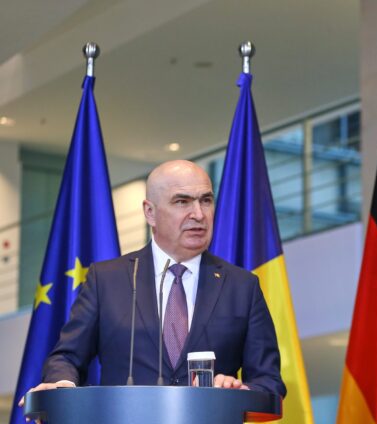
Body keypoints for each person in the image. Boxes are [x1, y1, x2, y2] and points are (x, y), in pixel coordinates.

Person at [24, 159, 285, 397]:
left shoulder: (242, 286)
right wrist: (62, 385)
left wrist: (238, 391)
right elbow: (67, 357)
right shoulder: (106, 280)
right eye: (182, 202)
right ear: (150, 212)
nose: (199, 214)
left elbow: (269, 382)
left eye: (206, 200)